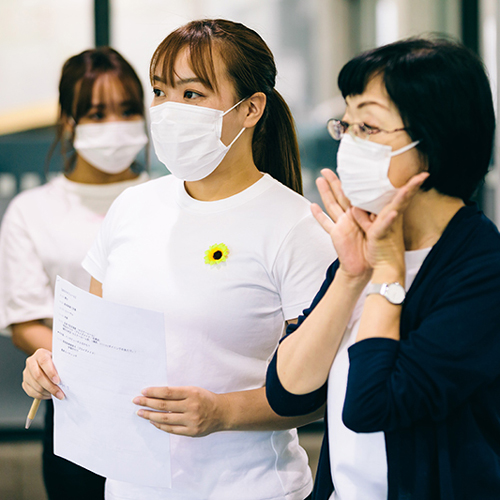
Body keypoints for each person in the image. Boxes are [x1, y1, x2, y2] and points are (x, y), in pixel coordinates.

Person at [21, 19, 336, 500]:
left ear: (251, 108)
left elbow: (323, 389)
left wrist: (223, 412)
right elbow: (95, 343)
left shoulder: (295, 226)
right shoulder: (132, 207)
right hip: (130, 487)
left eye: (192, 94)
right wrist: (51, 367)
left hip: (246, 488)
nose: (168, 110)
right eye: (161, 91)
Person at [266, 37, 500, 500]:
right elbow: (288, 391)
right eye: (346, 126)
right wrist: (353, 275)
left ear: (432, 140)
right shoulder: (366, 243)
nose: (349, 145)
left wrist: (388, 276)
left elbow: (371, 405)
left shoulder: (481, 268)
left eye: (369, 128)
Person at [0, 47, 149, 500]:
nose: (114, 125)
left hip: (161, 405)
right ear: (68, 119)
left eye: (126, 110)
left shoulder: (166, 201)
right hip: (76, 409)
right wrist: (99, 363)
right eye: (96, 112)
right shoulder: (33, 210)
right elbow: (26, 319)